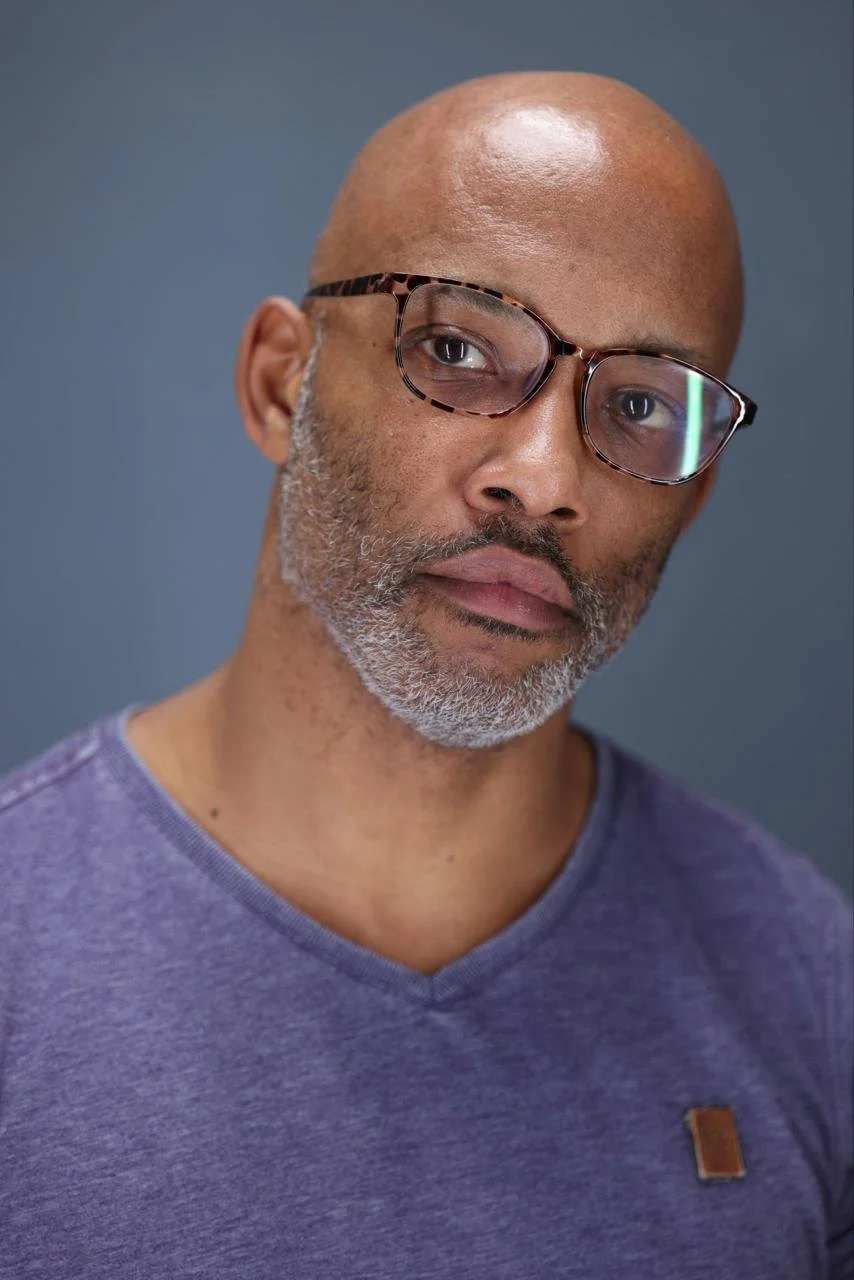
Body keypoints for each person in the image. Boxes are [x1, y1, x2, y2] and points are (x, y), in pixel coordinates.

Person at [0, 70, 850, 1280]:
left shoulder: (804, 981)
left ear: (693, 491)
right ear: (280, 383)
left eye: (638, 405)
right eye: (456, 347)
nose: (544, 475)